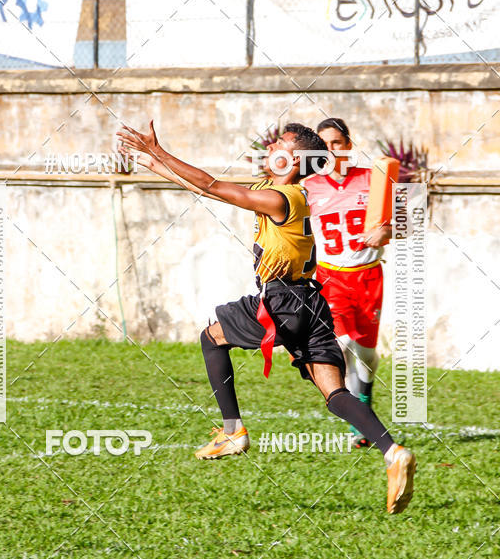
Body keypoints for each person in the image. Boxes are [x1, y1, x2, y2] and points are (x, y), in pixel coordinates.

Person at [116, 119, 415, 514]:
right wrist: (151, 164)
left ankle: (232, 431)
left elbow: (212, 185)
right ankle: (393, 452)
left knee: (211, 337)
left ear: (293, 158)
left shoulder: (285, 198)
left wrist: (158, 151)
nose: (271, 144)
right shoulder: (271, 191)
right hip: (313, 303)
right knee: (335, 393)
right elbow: (206, 189)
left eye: (281, 143)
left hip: (282, 302)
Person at [305, 117, 390, 448]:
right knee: (339, 346)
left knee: (366, 353)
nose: (330, 149)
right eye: (323, 144)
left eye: (337, 142)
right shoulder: (307, 188)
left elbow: (405, 222)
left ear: (349, 145)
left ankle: (364, 398)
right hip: (331, 277)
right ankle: (358, 418)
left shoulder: (374, 181)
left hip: (369, 276)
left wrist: (387, 230)